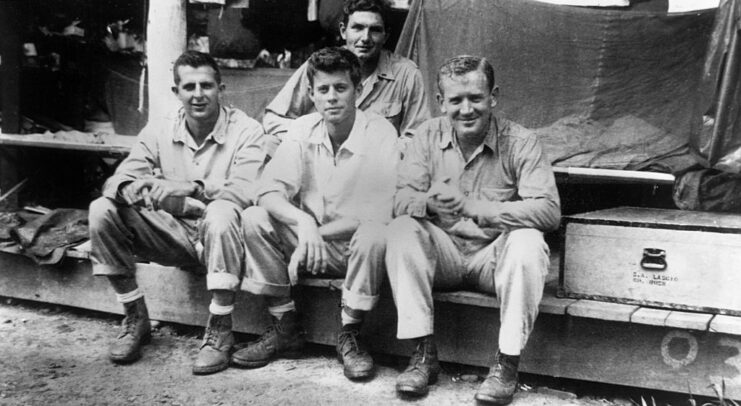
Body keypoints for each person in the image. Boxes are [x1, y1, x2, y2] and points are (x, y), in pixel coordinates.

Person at [385, 55, 561, 404]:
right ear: (440, 102)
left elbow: (549, 210)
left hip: (492, 260)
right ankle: (422, 354)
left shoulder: (521, 141)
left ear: (493, 96)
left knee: (528, 240)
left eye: (476, 98)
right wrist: (429, 205)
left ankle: (507, 363)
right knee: (403, 229)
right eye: (455, 100)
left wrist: (477, 209)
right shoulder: (427, 136)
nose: (466, 109)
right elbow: (399, 199)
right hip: (444, 255)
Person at [88, 51, 265, 375]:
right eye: (189, 86)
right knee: (102, 210)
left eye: (207, 86)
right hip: (173, 234)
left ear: (221, 89)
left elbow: (246, 189)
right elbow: (119, 178)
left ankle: (220, 330)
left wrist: (192, 188)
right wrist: (135, 189)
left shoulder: (247, 130)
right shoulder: (159, 129)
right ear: (176, 92)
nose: (198, 94)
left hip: (227, 240)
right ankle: (135, 316)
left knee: (222, 213)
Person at [232, 47, 398, 381]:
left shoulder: (380, 133)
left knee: (375, 233)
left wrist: (315, 236)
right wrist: (304, 223)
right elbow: (267, 191)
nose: (332, 98)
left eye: (341, 88)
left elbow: (379, 212)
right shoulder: (302, 129)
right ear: (311, 94)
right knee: (253, 218)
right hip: (307, 244)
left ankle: (350, 334)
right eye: (323, 90)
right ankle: (285, 326)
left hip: (353, 249)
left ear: (359, 90)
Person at [262, 0, 430, 156]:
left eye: (375, 30)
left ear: (386, 36)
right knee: (268, 144)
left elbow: (416, 138)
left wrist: (369, 151)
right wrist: (316, 137)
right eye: (358, 28)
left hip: (374, 165)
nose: (365, 38)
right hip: (318, 159)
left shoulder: (406, 74)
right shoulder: (320, 64)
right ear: (343, 31)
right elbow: (274, 119)